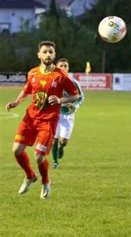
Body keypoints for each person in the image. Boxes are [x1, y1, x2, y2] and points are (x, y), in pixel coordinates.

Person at [5, 41, 80, 199]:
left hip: (49, 121)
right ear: (39, 55)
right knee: (16, 150)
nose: (48, 55)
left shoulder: (60, 74)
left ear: (54, 54)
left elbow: (75, 95)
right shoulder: (32, 73)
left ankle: (46, 181)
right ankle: (30, 176)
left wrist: (60, 100)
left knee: (39, 156)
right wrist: (16, 102)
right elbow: (26, 90)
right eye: (45, 52)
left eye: (51, 52)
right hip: (30, 118)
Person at [51, 58, 85, 169]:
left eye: (66, 66)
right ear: (57, 67)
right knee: (53, 140)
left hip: (68, 116)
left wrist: (75, 106)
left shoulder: (74, 82)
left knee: (63, 141)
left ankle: (62, 148)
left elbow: (81, 97)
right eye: (61, 66)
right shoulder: (52, 81)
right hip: (55, 115)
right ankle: (55, 162)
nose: (64, 68)